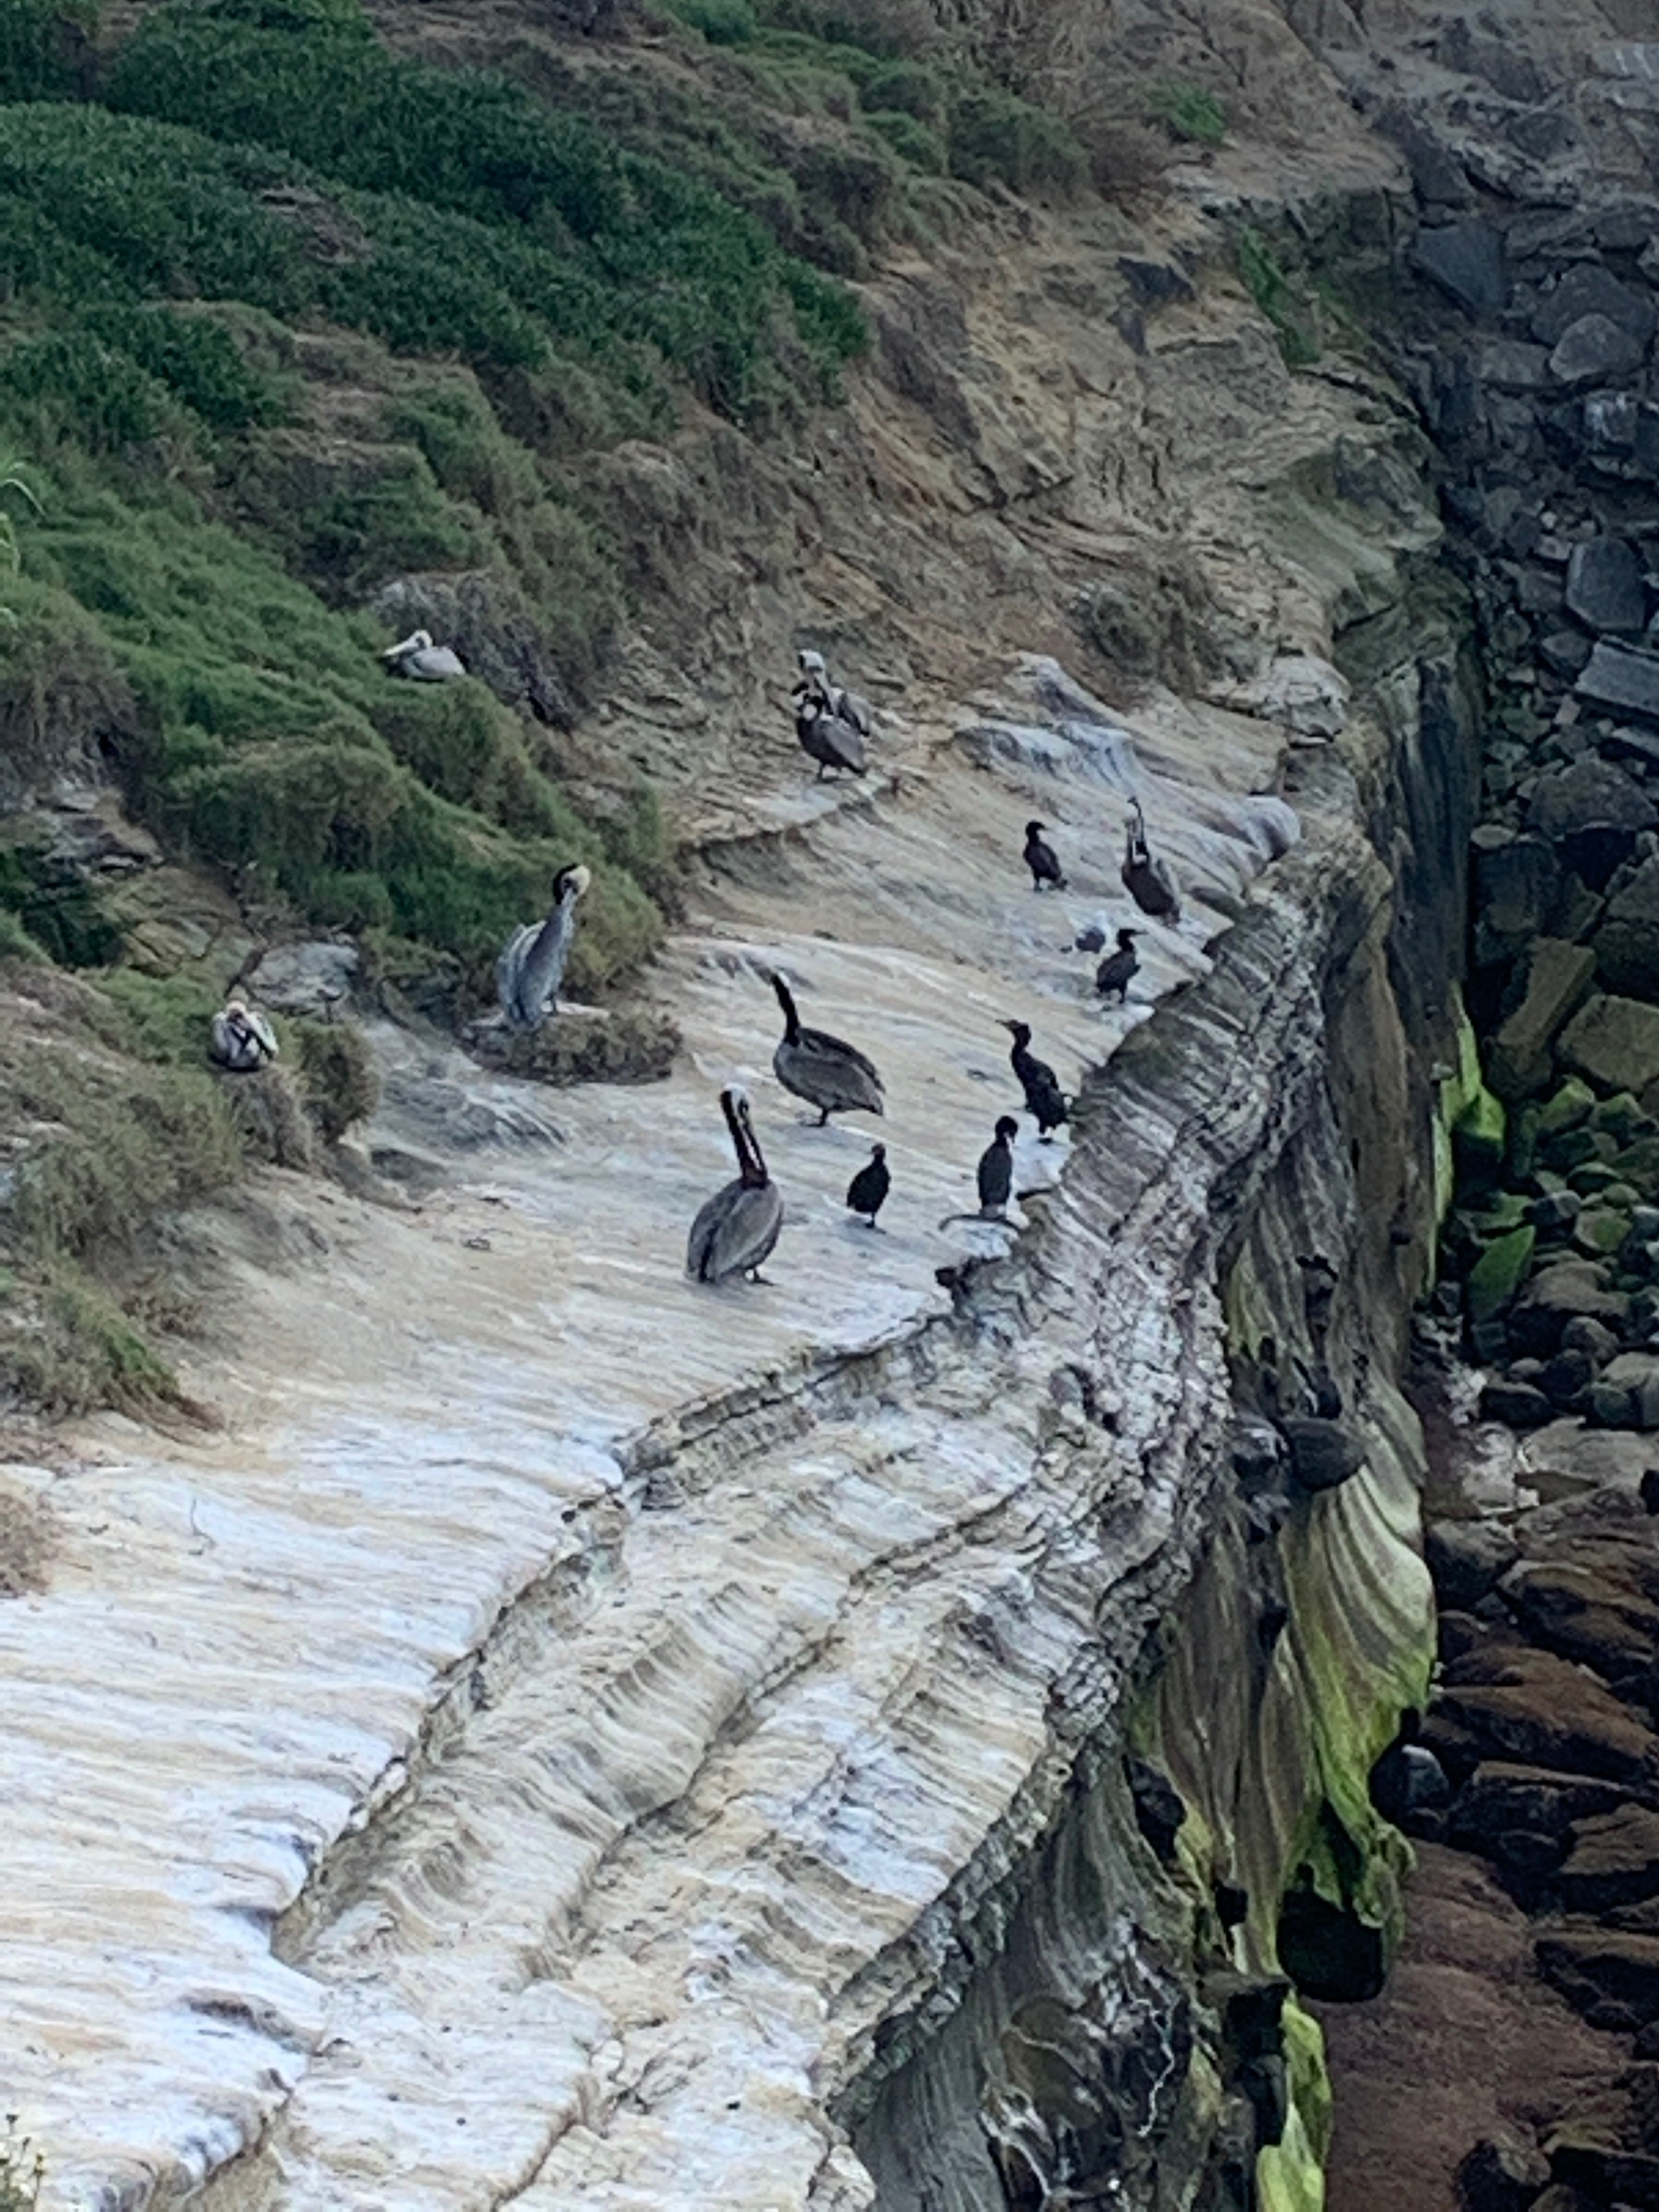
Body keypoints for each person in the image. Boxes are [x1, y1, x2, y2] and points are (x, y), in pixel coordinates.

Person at [210, 998, 279, 1073]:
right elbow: (271, 1046)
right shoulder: (255, 1021)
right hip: (257, 1063)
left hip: (236, 1064)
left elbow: (223, 1047)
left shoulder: (221, 1022)